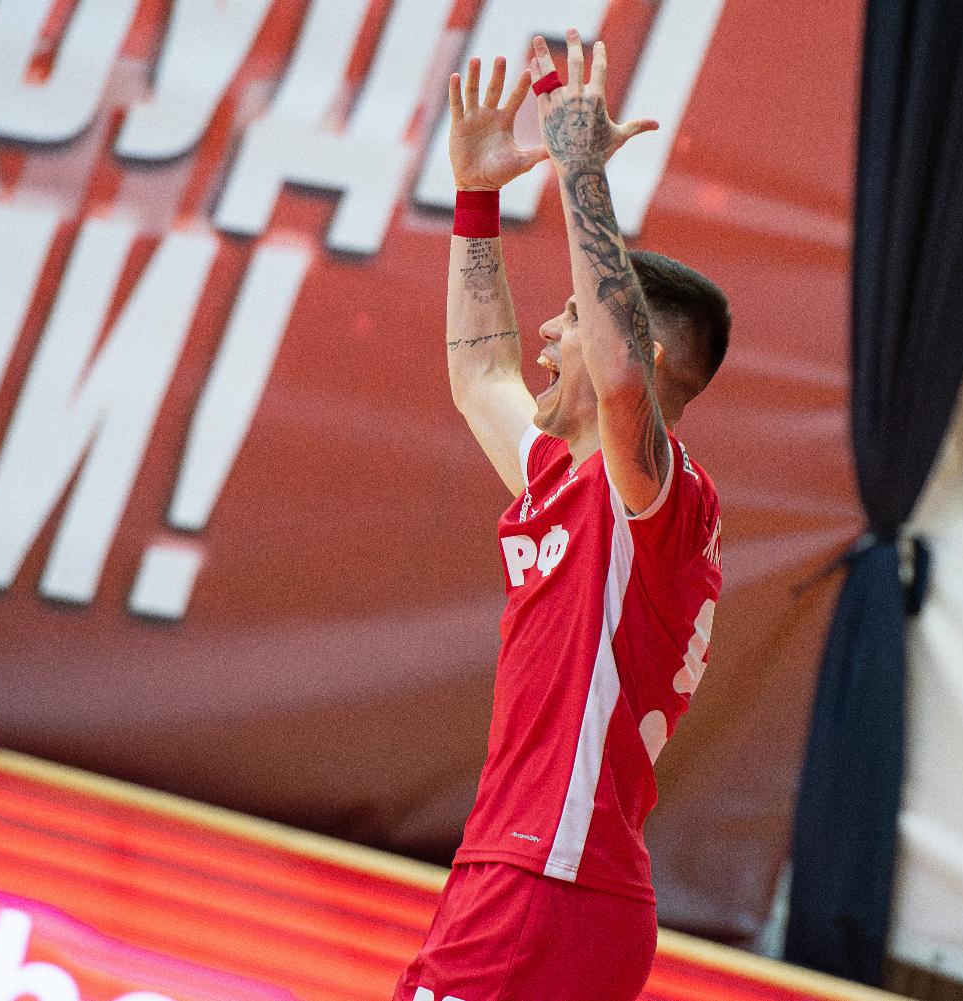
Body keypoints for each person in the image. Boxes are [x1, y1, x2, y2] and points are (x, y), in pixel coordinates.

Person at [394, 30, 729, 1001]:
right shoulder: (561, 481)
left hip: (547, 880)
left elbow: (622, 377)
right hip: (536, 877)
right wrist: (475, 198)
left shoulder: (659, 497)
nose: (548, 328)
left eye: (573, 316)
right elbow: (480, 375)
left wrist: (582, 170)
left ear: (641, 354)